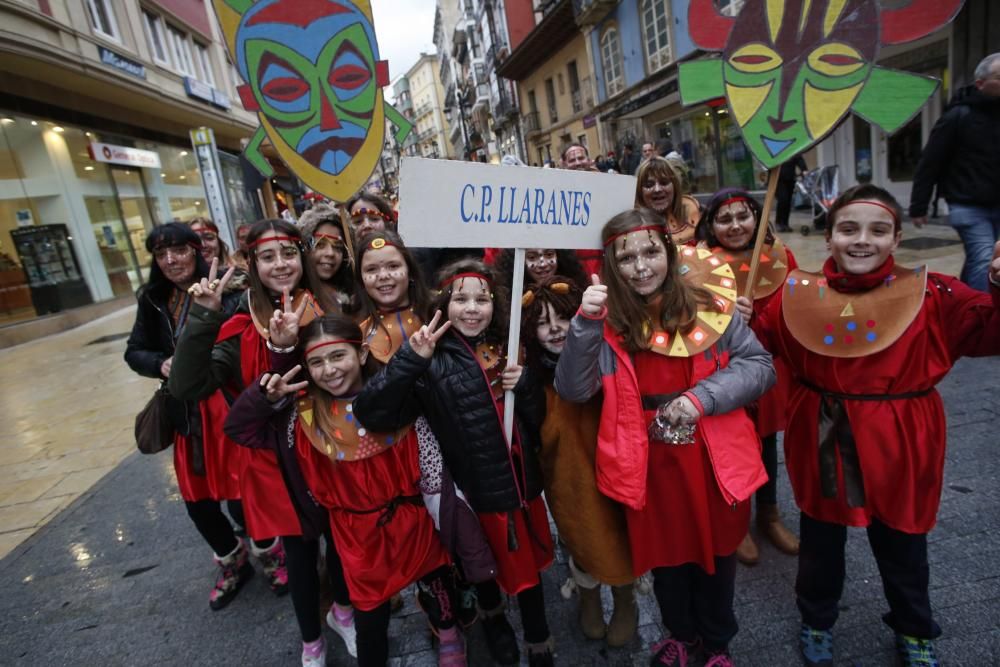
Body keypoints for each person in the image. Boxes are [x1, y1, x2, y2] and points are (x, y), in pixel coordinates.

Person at [752, 184, 1000, 667]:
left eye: (877, 230)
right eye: (848, 229)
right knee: (823, 540)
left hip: (902, 438)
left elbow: (989, 331)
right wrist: (743, 322)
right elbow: (759, 340)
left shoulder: (934, 293)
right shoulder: (795, 296)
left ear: (897, 238)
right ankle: (817, 619)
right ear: (829, 238)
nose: (861, 240)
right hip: (827, 429)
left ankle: (914, 627)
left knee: (903, 540)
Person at [555, 207, 775, 667]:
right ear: (610, 266)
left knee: (717, 558)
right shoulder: (607, 320)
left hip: (713, 459)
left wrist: (702, 399)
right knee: (668, 560)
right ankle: (681, 634)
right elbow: (574, 389)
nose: (641, 266)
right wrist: (584, 324)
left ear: (669, 254)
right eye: (626, 257)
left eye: (650, 252)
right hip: (648, 463)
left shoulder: (712, 307)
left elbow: (759, 367)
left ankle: (717, 644)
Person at [225, 312, 464, 667]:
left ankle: (449, 635)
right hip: (355, 537)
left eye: (338, 356)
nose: (329, 370)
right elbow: (240, 430)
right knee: (369, 620)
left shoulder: (395, 398)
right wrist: (264, 396)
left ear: (362, 354)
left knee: (439, 584)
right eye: (317, 362)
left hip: (413, 520)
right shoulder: (300, 415)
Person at [354, 260, 556, 667]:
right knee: (481, 567)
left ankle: (538, 638)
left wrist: (528, 385)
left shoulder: (509, 344)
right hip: (473, 491)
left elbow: (536, 420)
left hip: (521, 486)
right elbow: (371, 412)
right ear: (443, 304)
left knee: (529, 570)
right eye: (460, 298)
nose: (471, 308)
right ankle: (494, 620)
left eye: (482, 299)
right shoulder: (430, 358)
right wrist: (410, 359)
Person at [168, 220, 350, 651]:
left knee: (343, 541)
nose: (281, 265)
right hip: (277, 466)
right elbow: (186, 386)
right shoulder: (237, 324)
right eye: (268, 257)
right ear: (253, 263)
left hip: (334, 453)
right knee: (301, 555)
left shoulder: (331, 309)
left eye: (288, 254)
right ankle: (312, 642)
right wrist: (204, 317)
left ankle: (344, 613)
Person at [125, 223, 248, 610]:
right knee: (198, 500)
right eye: (161, 254)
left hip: (228, 404)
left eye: (178, 250)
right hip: (185, 413)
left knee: (245, 490)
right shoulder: (154, 299)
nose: (170, 260)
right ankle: (232, 559)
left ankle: (268, 550)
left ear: (197, 251)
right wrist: (161, 363)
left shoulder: (229, 290)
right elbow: (134, 351)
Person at [520, 276, 637, 647]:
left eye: (563, 318)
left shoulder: (605, 358)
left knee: (618, 531)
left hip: (608, 464)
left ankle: (624, 596)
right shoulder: (531, 374)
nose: (554, 330)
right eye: (542, 322)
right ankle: (587, 593)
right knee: (580, 530)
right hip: (567, 476)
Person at [695, 189, 800, 564]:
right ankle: (736, 521)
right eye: (725, 219)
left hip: (767, 368)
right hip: (722, 373)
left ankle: (769, 514)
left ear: (757, 218)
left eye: (743, 217)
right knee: (730, 445)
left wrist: (761, 314)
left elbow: (799, 308)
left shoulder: (781, 256)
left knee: (767, 444)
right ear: (711, 224)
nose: (735, 226)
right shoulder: (698, 263)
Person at [909, 53, 1000, 291]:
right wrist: (919, 206)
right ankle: (986, 315)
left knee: (982, 257)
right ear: (980, 83)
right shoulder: (958, 116)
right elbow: (931, 161)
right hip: (967, 204)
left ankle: (963, 299)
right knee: (984, 258)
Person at [297, 203, 356, 312]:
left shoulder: (355, 293)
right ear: (305, 248)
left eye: (338, 247)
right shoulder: (295, 297)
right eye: (320, 245)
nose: (330, 253)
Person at [635, 156, 702, 245]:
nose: (657, 189)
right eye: (649, 185)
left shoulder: (697, 212)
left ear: (675, 186)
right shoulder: (632, 227)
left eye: (664, 182)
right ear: (639, 191)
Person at [189, 218, 249, 289]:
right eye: (196, 240)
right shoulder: (185, 282)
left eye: (209, 237)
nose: (203, 245)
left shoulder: (240, 275)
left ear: (219, 243)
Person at [494, 247, 588, 293]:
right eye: (532, 257)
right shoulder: (509, 299)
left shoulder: (575, 292)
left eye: (549, 254)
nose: (543, 264)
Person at [775, 155, 807, 233]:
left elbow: (798, 158)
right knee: (783, 199)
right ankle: (779, 222)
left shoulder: (791, 149)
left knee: (788, 202)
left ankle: (785, 223)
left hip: (790, 179)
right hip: (778, 180)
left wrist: (804, 169)